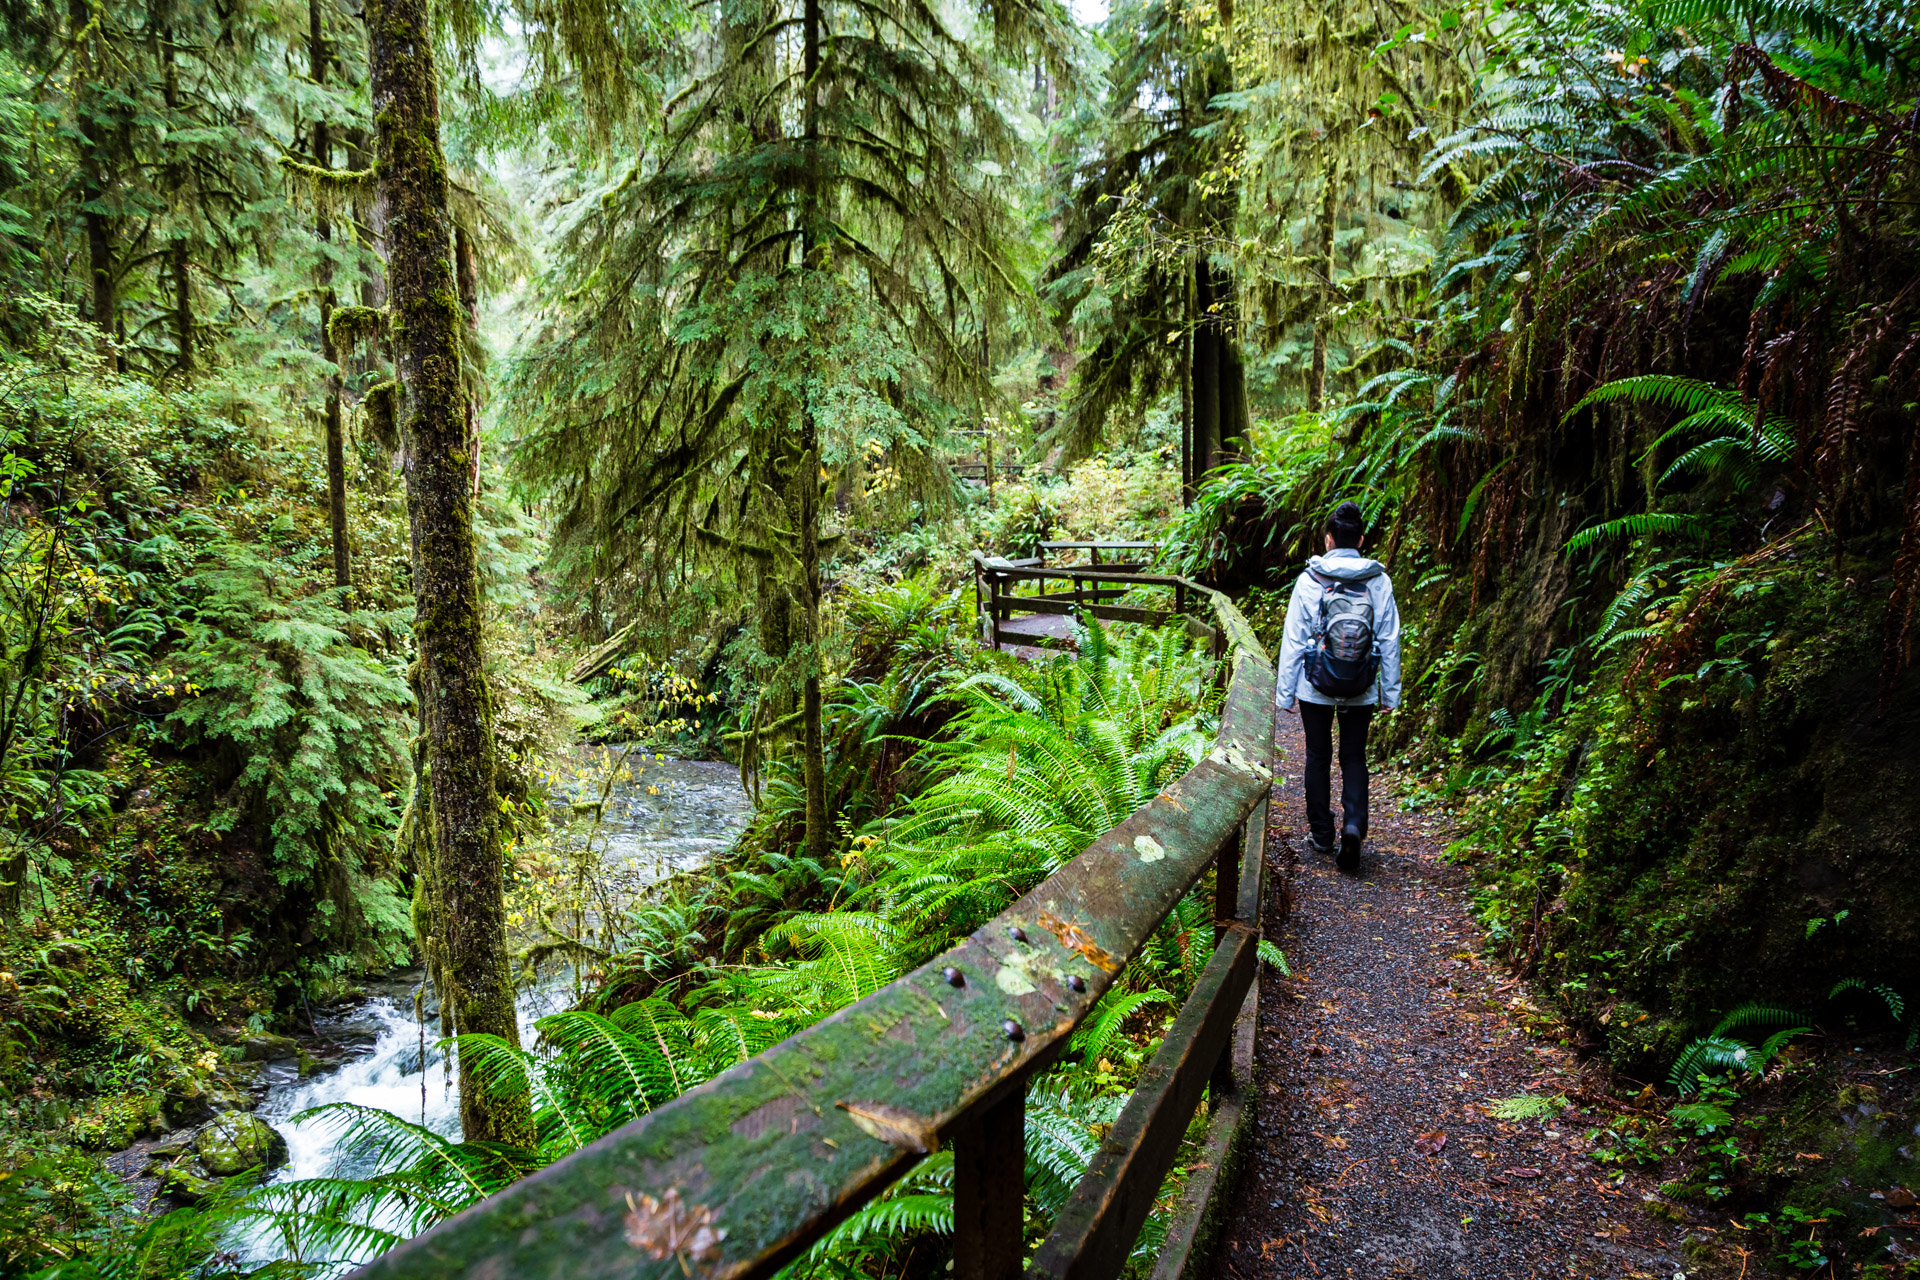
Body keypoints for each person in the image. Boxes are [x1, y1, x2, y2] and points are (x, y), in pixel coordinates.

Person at [1273, 500, 1401, 872]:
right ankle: (1354, 826)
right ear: (1361, 539)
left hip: (1315, 684)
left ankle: (1322, 834)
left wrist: (1285, 694)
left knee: (1317, 754)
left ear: (1328, 540)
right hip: (1360, 684)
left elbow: (1294, 639)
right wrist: (1388, 692)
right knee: (1354, 755)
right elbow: (1390, 639)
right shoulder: (1378, 580)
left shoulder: (1310, 579)